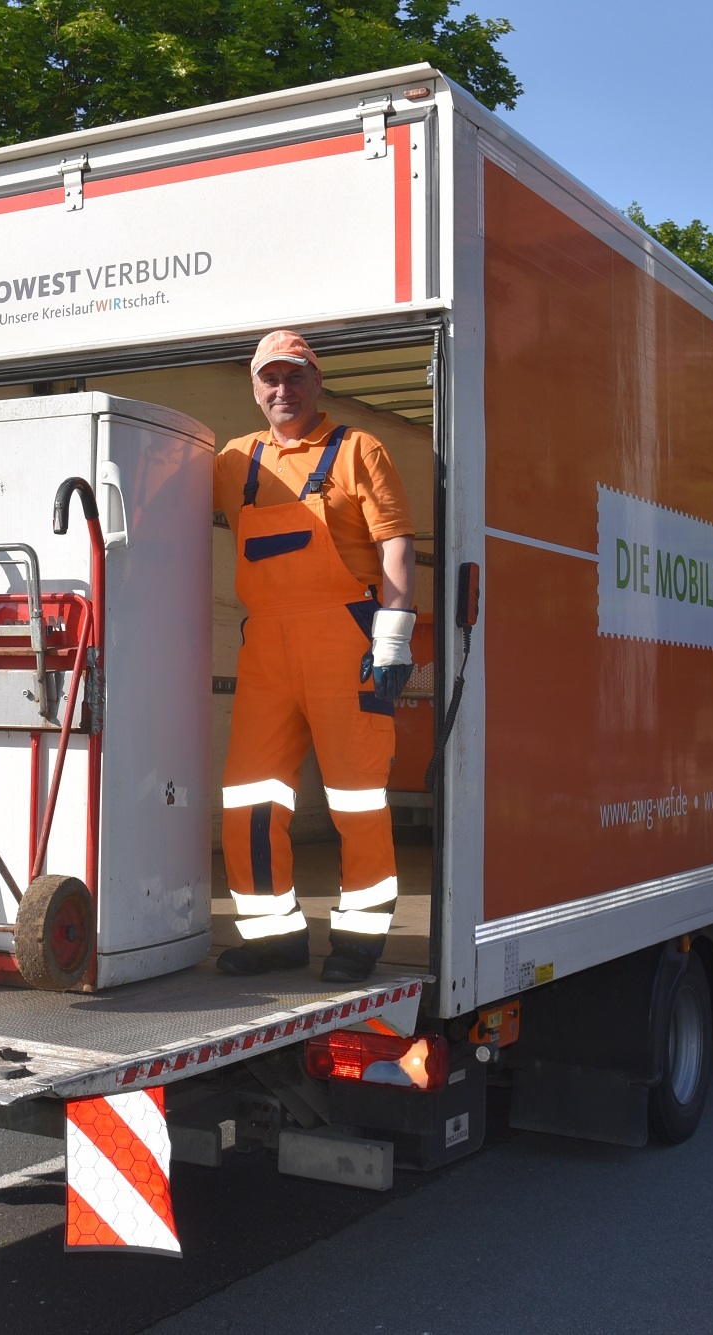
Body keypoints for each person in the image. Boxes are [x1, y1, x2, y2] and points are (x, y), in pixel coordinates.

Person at [214, 329, 416, 984]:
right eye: (270, 378)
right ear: (254, 387)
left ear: (316, 383)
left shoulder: (360, 450)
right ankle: (274, 936)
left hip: (346, 641)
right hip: (267, 645)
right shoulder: (234, 461)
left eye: (295, 377)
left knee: (355, 798)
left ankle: (359, 939)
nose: (283, 389)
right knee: (248, 796)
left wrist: (394, 635)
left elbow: (395, 547)